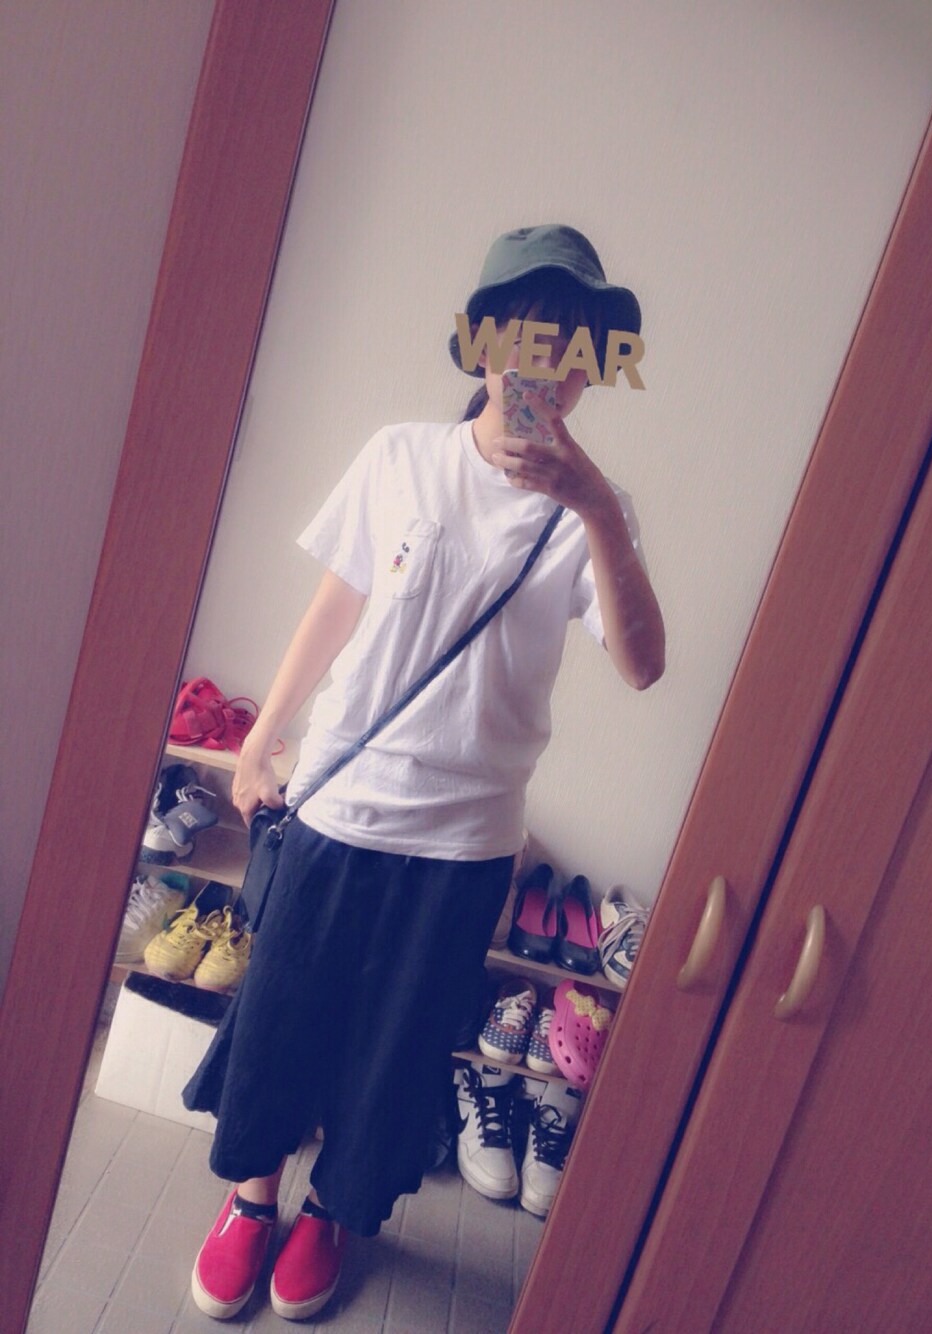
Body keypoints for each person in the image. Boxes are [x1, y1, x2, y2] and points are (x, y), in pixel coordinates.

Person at [182, 223, 665, 1321]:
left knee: (394, 1047)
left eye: (574, 344)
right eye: (526, 335)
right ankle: (252, 1200)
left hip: (465, 843)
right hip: (339, 806)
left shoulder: (597, 514)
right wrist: (263, 736)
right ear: (484, 346)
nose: (547, 363)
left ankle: (332, 1211)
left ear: (593, 369)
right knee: (282, 1014)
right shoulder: (401, 456)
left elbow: (642, 665)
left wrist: (595, 508)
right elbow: (336, 605)